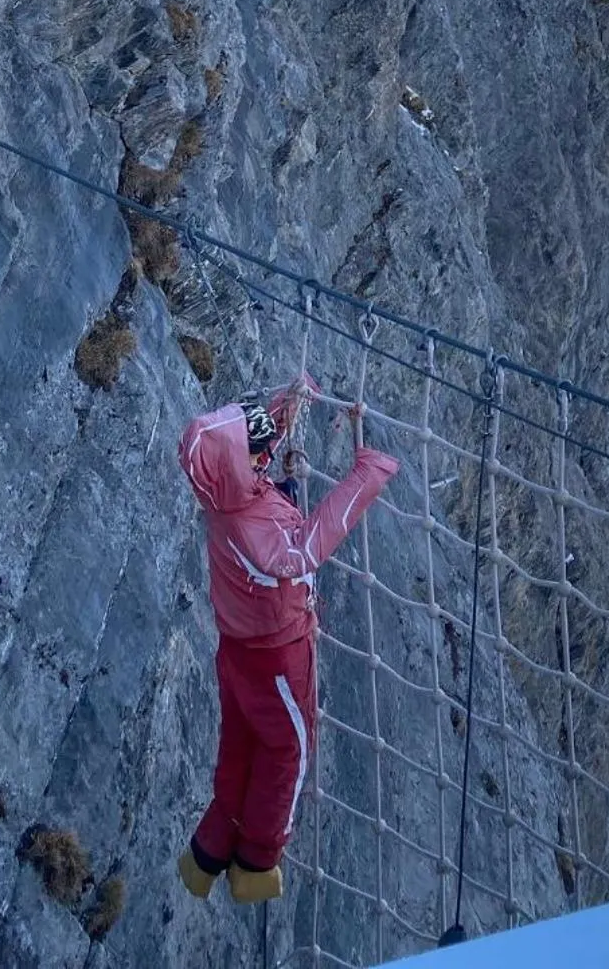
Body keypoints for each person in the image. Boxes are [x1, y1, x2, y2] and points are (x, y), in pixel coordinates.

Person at [176, 382, 400, 904]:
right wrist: (366, 476)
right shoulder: (257, 531)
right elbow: (304, 551)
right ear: (238, 463)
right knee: (287, 751)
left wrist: (288, 401)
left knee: (240, 746)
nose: (262, 453)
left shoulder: (223, 494)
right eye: (253, 451)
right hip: (277, 655)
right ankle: (256, 862)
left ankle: (208, 853)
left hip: (236, 653)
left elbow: (248, 444)